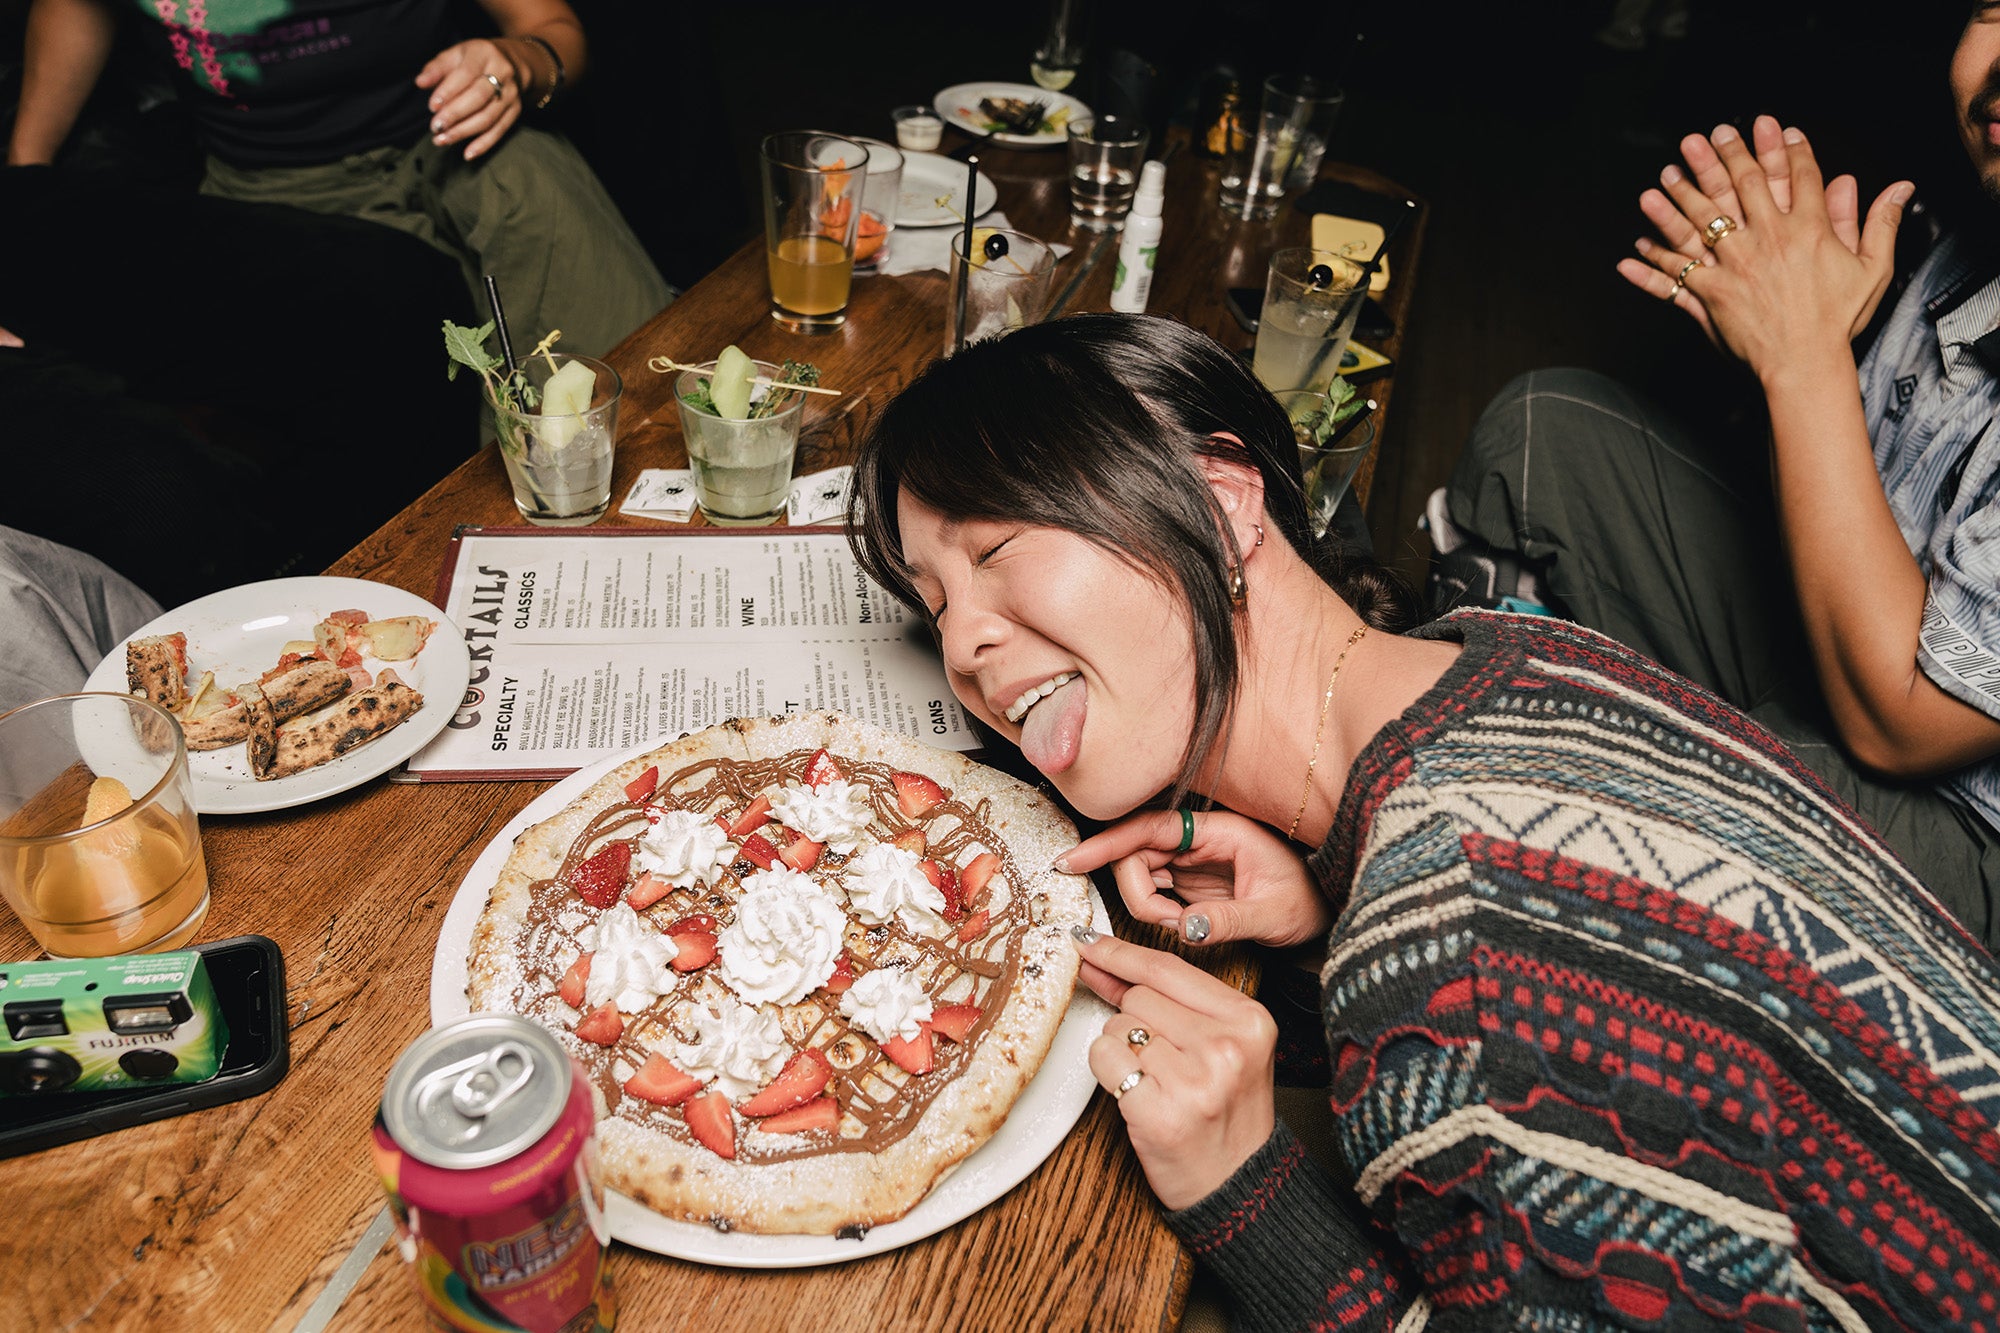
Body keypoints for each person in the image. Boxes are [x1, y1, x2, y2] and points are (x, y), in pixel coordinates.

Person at [849, 312, 2000, 1329]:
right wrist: (1330, 915)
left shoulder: (1450, 969)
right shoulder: (1519, 653)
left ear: (1219, 499)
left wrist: (1240, 1187)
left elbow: (1499, 1002)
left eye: (998, 554)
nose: (962, 648)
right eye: (936, 602)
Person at [1440, 13, 2000, 935]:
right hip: (1838, 654)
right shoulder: (1969, 245)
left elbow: (1901, 722)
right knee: (1541, 432)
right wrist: (1786, 356)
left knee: (1648, 806)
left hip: (1964, 827)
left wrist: (1803, 357)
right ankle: (1544, 715)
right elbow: (1839, 515)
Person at [7, 0, 669, 358]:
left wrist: (516, 66)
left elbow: (551, 29)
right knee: (402, 373)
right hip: (272, 192)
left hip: (450, 143)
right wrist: (26, 191)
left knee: (617, 348)